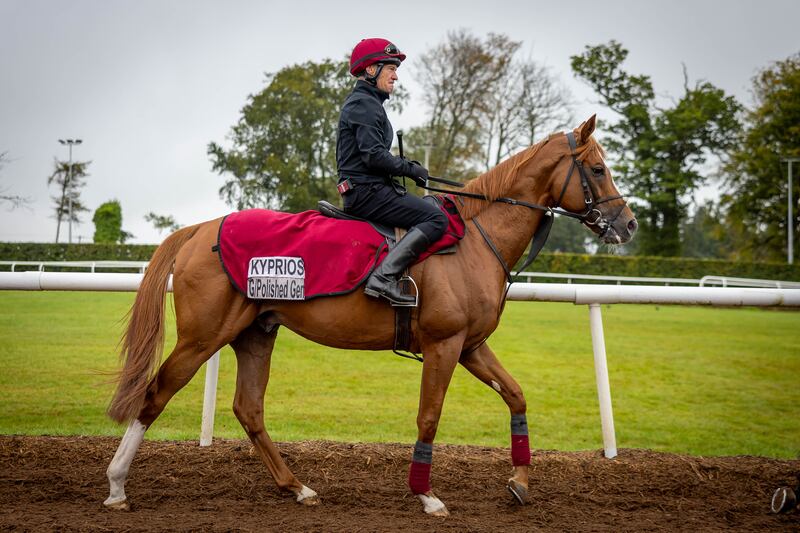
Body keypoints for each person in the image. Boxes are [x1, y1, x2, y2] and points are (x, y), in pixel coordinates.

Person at [336, 38, 447, 306]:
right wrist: (410, 169)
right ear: (371, 70)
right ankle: (383, 279)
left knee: (434, 205)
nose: (396, 75)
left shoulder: (368, 103)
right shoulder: (364, 104)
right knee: (436, 219)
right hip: (366, 192)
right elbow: (373, 156)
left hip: (370, 189)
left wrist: (408, 169)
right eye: (391, 68)